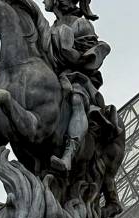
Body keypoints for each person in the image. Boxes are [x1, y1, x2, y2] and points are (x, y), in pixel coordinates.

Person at [43, 0, 115, 173]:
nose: (43, 0)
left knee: (77, 99)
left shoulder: (81, 24)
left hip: (77, 78)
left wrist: (67, 53)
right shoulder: (47, 27)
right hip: (49, 78)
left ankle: (68, 155)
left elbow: (88, 57)